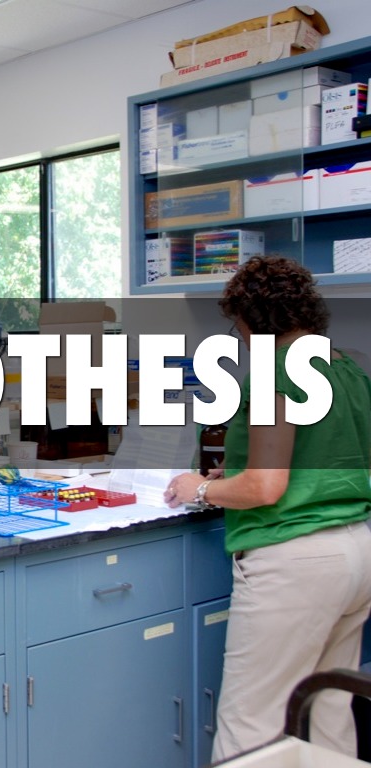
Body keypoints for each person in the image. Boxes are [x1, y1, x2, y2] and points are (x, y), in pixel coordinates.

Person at [164, 255, 371, 761]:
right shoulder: (346, 368)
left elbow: (265, 487)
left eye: (237, 326)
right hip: (357, 552)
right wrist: (233, 474)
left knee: (250, 723)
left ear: (252, 318)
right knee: (327, 710)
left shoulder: (276, 372)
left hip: (294, 560)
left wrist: (199, 489)